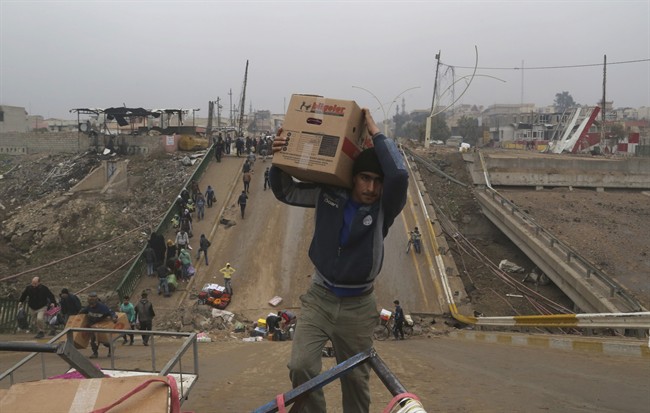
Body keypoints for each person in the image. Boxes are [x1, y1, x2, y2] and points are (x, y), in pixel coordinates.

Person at [269, 108, 408, 412]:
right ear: (352, 178)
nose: (371, 188)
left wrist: (376, 132)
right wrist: (278, 159)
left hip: (359, 306)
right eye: (364, 178)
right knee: (301, 366)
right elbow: (287, 190)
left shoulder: (384, 208)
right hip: (320, 297)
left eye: (376, 181)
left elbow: (398, 174)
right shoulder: (328, 194)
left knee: (355, 379)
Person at [79, 292, 117, 358]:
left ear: (96, 300)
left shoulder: (102, 307)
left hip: (101, 326)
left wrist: (113, 317)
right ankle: (95, 353)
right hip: (93, 326)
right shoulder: (88, 307)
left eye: (92, 301)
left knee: (105, 341)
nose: (91, 303)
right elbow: (81, 312)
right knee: (93, 340)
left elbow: (111, 312)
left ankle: (111, 348)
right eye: (89, 301)